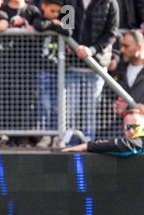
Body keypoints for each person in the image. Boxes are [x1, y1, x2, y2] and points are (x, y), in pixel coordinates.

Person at [63, 0, 119, 142]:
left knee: (90, 110)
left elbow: (111, 33)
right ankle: (70, 142)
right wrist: (70, 45)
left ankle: (88, 142)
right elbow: (66, 27)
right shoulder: (69, 2)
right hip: (72, 64)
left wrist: (92, 50)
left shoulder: (110, 3)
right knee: (70, 109)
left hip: (96, 66)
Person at [32, 0, 71, 148]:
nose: (56, 15)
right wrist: (54, 24)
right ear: (44, 7)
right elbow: (39, 26)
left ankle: (58, 136)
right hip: (43, 70)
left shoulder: (66, 14)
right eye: (52, 11)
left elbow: (68, 31)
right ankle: (46, 135)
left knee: (59, 105)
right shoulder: (37, 15)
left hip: (60, 71)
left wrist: (57, 24)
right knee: (44, 104)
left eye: (58, 12)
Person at [62, 111, 144, 156]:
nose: (130, 130)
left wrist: (87, 146)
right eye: (127, 127)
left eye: (135, 126)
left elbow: (121, 145)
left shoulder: (140, 142)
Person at [112, 30, 144, 118]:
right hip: (116, 127)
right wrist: (114, 105)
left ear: (139, 47)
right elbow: (107, 95)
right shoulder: (118, 69)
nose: (122, 50)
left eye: (126, 46)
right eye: (122, 45)